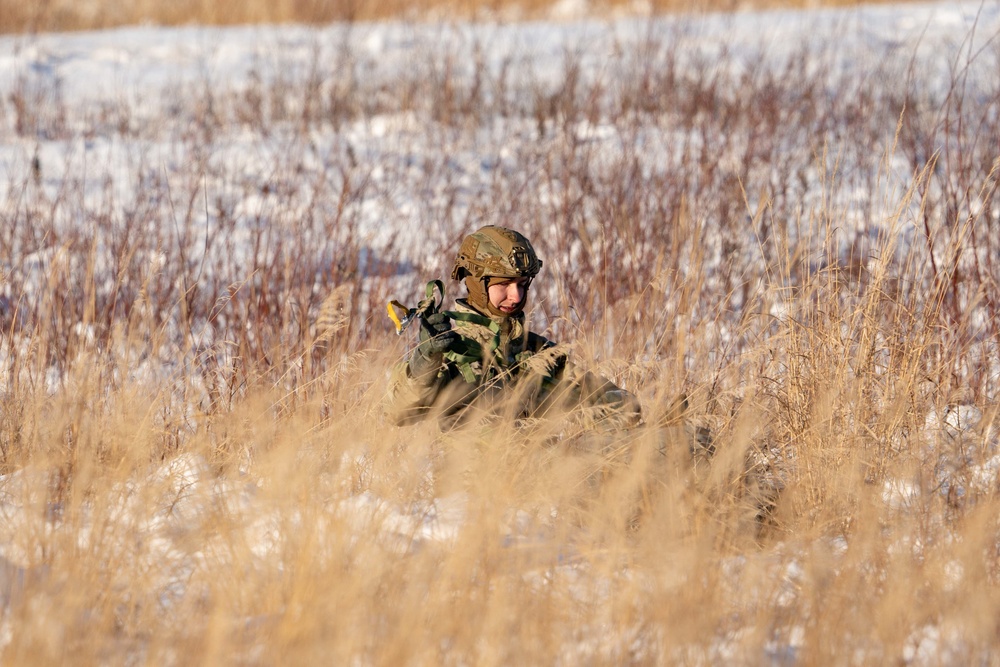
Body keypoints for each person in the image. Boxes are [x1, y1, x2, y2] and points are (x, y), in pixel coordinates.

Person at [387, 225, 641, 431]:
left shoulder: (537, 351)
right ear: (476, 283)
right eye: (504, 284)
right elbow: (398, 410)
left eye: (521, 284)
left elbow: (606, 397)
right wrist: (425, 362)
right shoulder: (448, 350)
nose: (516, 296)